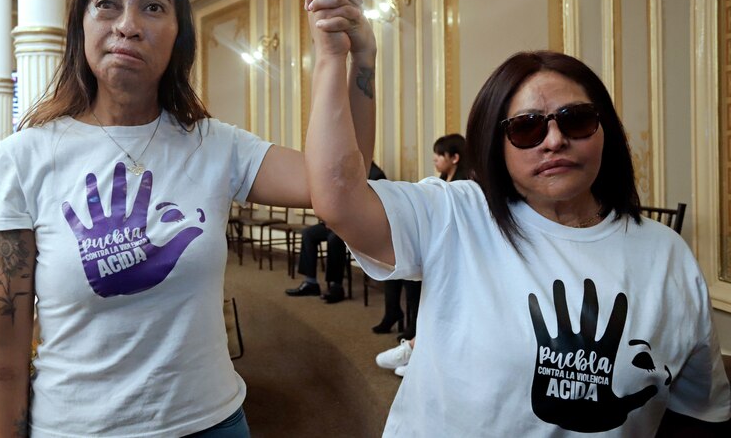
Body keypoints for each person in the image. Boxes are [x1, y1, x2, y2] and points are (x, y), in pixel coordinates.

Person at [0, 0, 374, 437]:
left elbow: (338, 185)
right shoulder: (24, 157)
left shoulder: (213, 144)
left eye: (153, 6)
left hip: (211, 423)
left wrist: (347, 58)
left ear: (178, 34)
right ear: (81, 24)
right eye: (107, 3)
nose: (128, 24)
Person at [304, 36, 731, 435]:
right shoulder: (458, 214)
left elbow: (696, 410)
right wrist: (346, 58)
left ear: (605, 131)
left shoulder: (667, 253)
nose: (555, 140)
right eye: (527, 128)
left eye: (576, 120)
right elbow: (339, 198)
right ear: (497, 144)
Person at [373, 134, 467, 339]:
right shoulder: (441, 181)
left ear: (455, 158)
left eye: (439, 155)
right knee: (397, 265)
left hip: (452, 245)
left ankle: (414, 326)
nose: (435, 159)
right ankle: (392, 313)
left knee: (414, 275)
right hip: (435, 238)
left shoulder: (465, 184)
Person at [286, 162, 386, 303]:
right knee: (308, 234)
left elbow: (374, 208)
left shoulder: (377, 175)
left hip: (358, 225)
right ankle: (311, 282)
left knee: (335, 238)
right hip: (337, 222)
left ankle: (336, 286)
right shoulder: (348, 170)